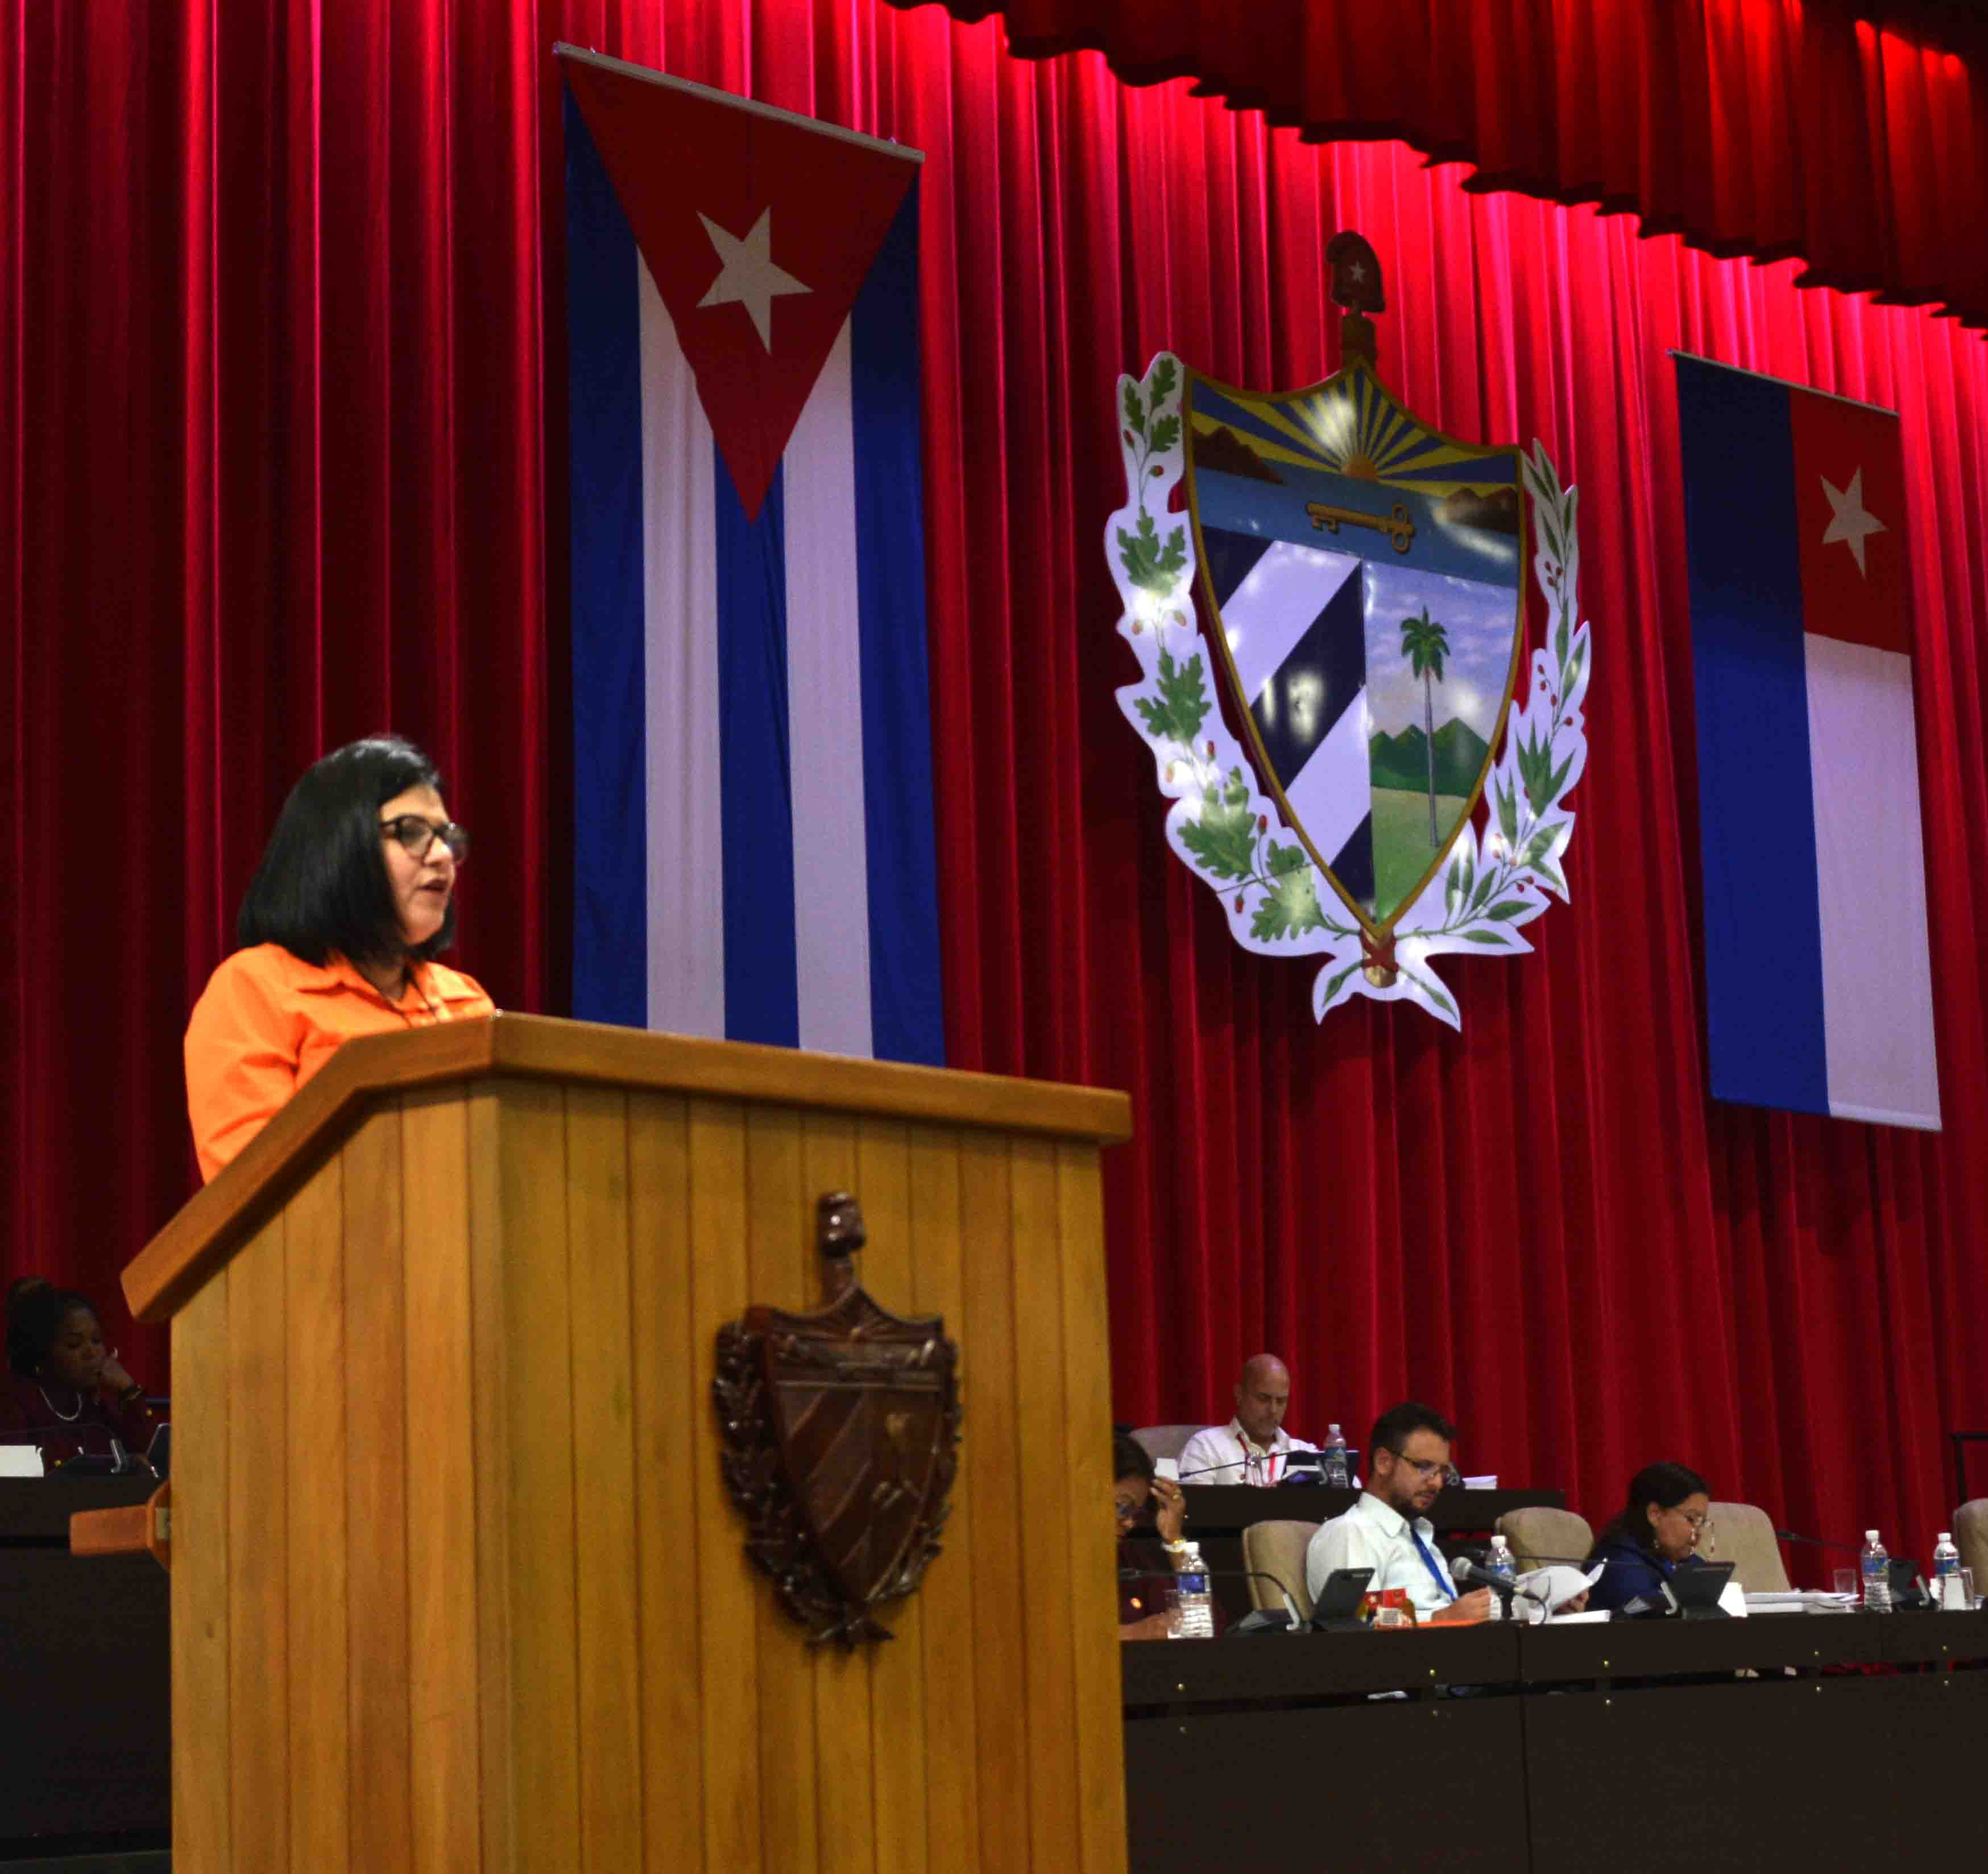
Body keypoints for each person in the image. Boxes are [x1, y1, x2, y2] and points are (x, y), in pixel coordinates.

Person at [184, 735, 495, 1181]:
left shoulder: (467, 1000)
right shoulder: (255, 990)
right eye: (411, 832)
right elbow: (252, 1195)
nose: (444, 856)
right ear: (338, 848)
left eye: (447, 837)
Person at [1304, 1401, 1492, 1622]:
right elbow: (1359, 1620)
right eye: (1423, 1466)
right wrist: (1442, 1619)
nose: (1437, 1483)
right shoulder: (1351, 1532)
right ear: (1384, 1462)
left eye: (1441, 1471)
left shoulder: (1420, 1538)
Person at [1, 1278, 157, 1466]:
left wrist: (129, 1392)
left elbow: (153, 1459)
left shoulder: (93, 1406)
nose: (91, 1353)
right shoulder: (13, 1402)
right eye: (74, 1344)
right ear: (41, 1352)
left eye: (97, 1340)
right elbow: (12, 1479)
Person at [1584, 1462, 1714, 1614]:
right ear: (1655, 1514)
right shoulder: (1619, 1566)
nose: (1698, 1532)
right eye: (1691, 1520)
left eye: (1702, 1523)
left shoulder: (1688, 1561)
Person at [1176, 1353, 1320, 1485]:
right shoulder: (1206, 1447)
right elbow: (1195, 1509)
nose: (1273, 1410)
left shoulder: (1305, 1453)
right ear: (1239, 1394)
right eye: (1263, 1399)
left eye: (1281, 1401)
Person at [1113, 1430, 1195, 1639]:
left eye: (1136, 1513)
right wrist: (1134, 1633)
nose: (1130, 1523)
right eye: (1123, 1507)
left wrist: (1174, 1538)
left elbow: (1200, 1617)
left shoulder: (1131, 1557)